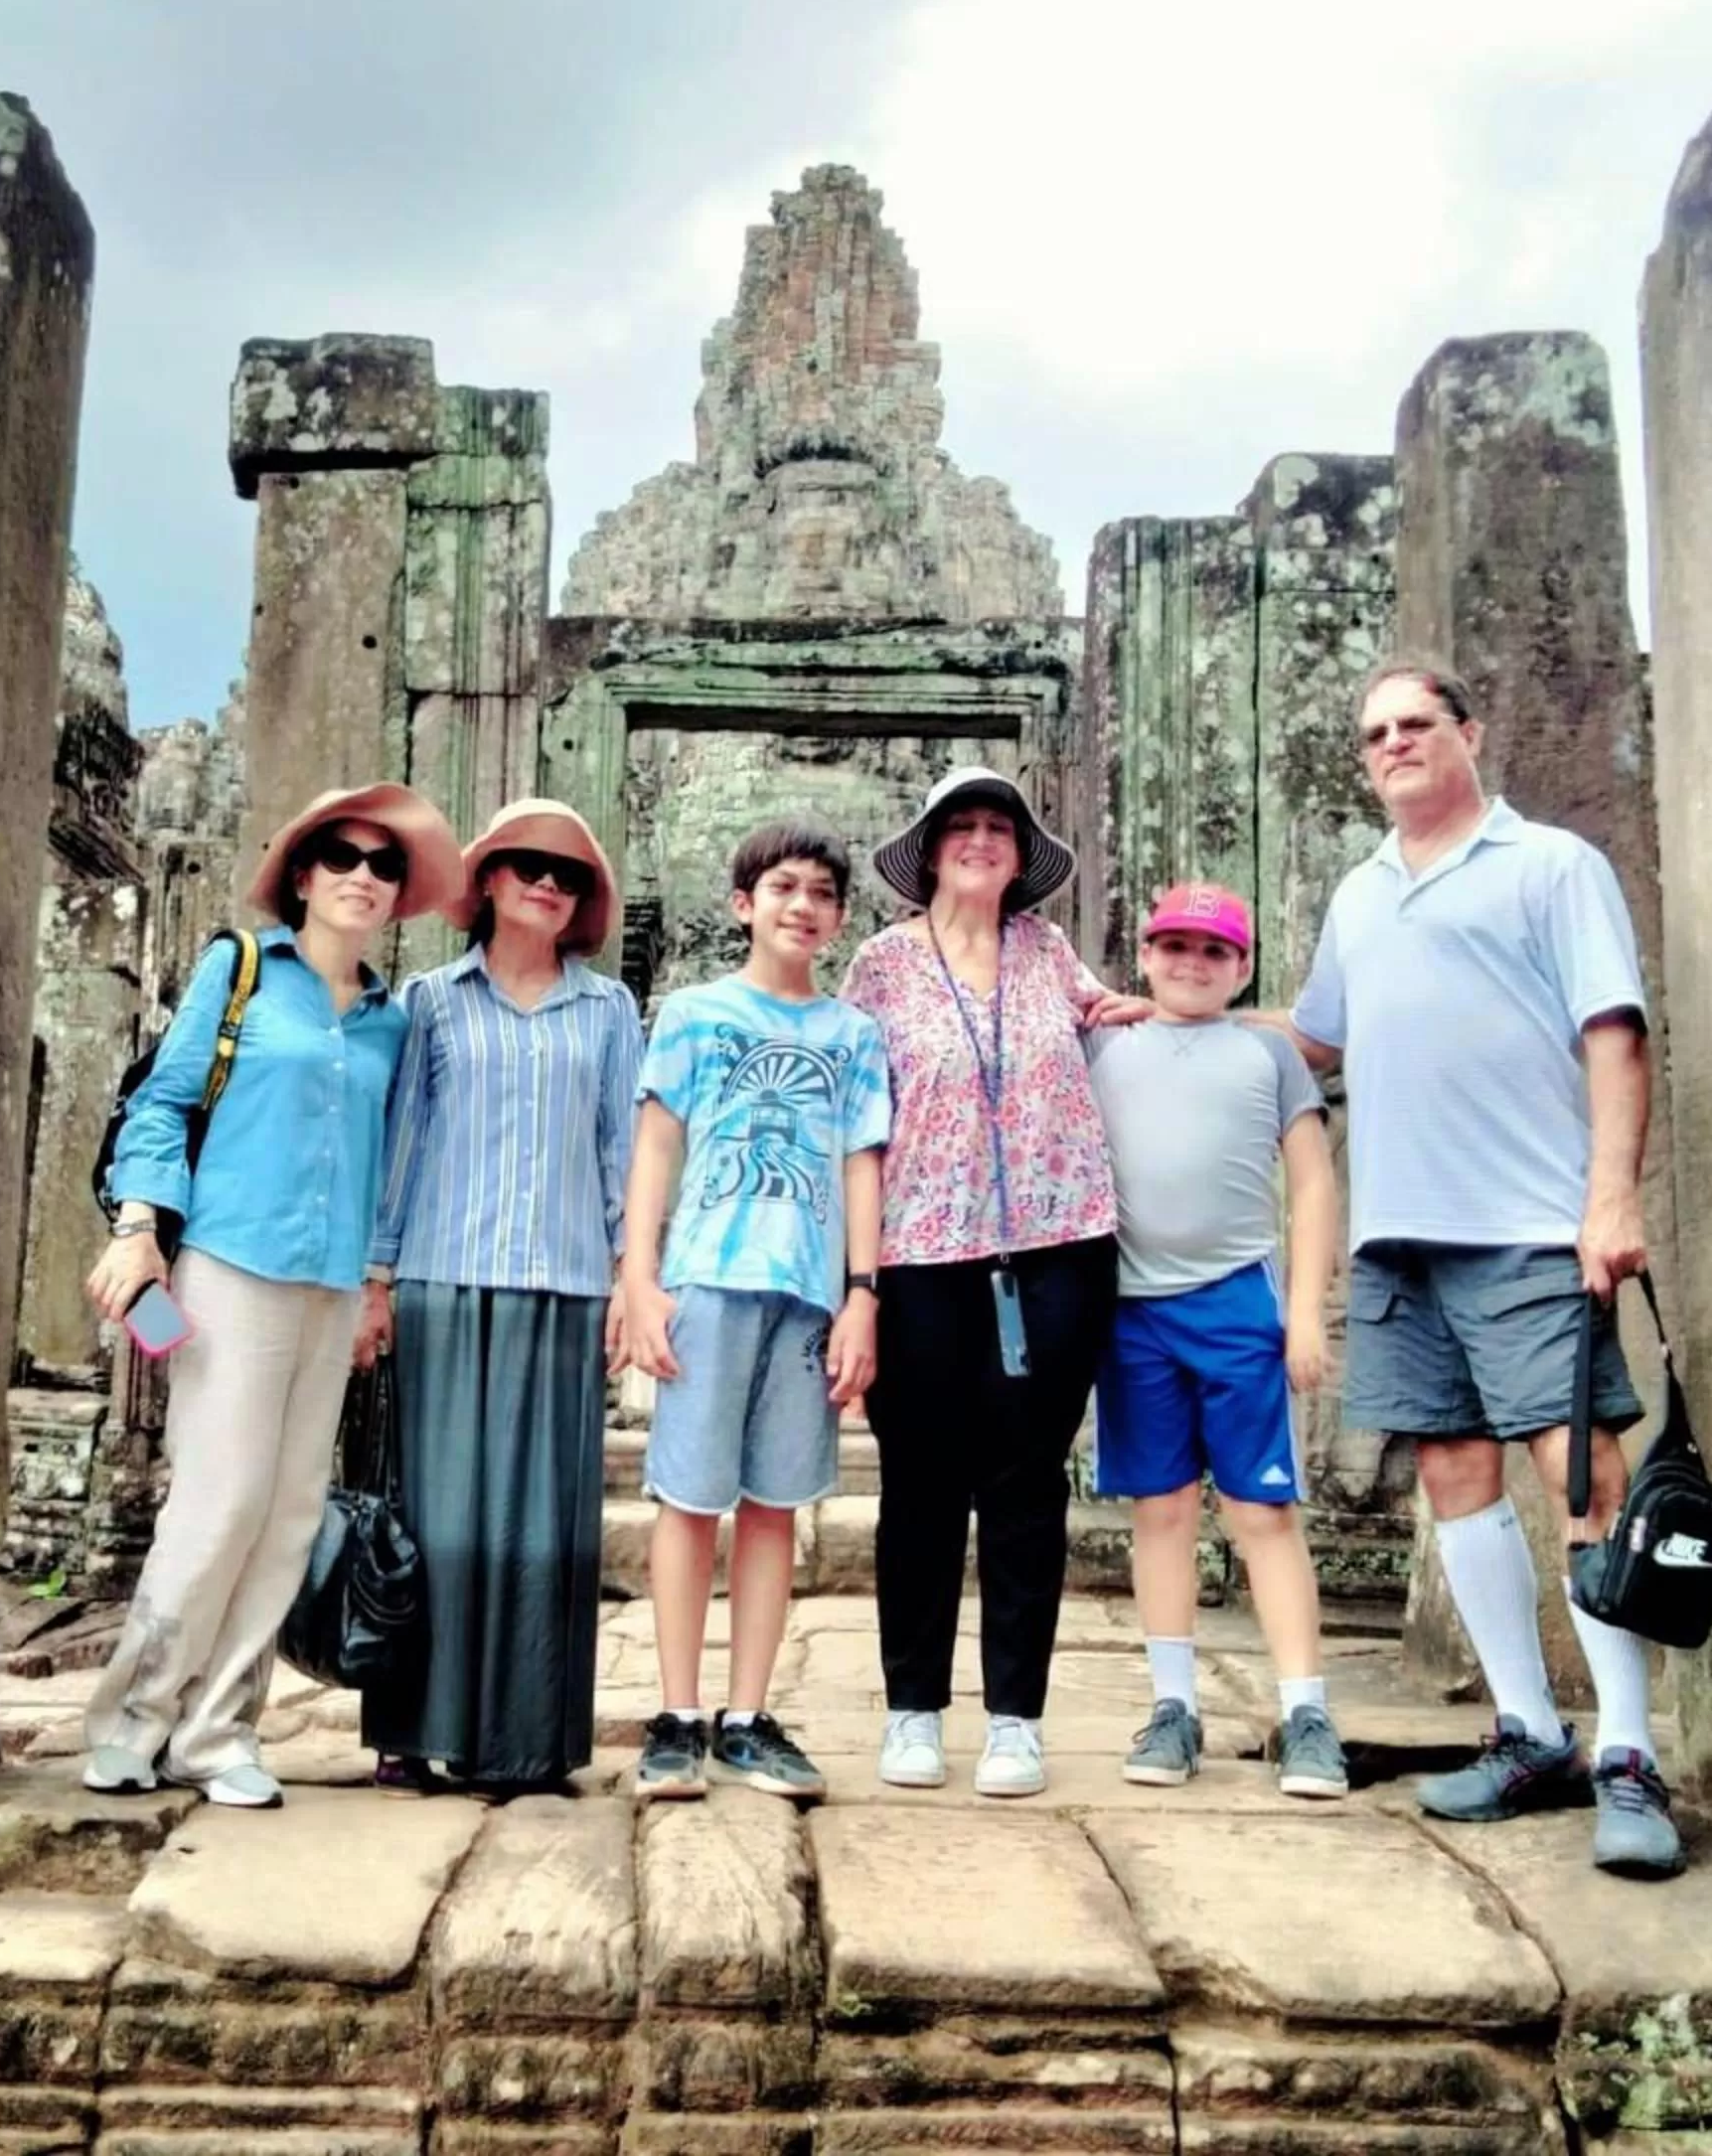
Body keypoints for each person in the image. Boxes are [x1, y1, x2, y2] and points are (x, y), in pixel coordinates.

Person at [1274, 661, 1678, 1878]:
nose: (1394, 744)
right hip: (1400, 1231)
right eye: (1374, 733)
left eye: (1415, 724)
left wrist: (1611, 1193)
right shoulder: (1360, 894)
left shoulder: (1551, 866)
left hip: (1526, 1221)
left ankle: (1630, 1752)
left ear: (1469, 734)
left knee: (1579, 1468)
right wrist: (1171, 1017)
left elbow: (1614, 1032)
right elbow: (1317, 1038)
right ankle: (1529, 1733)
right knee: (1452, 1472)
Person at [80, 782, 462, 1809]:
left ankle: (220, 1731)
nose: (364, 878)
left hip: (330, 1284)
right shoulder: (242, 969)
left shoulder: (392, 1022)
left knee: (291, 1513)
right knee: (219, 1498)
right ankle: (134, 1715)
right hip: (228, 1265)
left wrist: (378, 1282)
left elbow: (392, 1164)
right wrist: (140, 1228)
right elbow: (161, 1102)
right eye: (343, 855)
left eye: (386, 867)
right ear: (302, 873)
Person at [840, 767, 1150, 1799]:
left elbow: (1115, 1028)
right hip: (922, 1252)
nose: (979, 840)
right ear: (929, 849)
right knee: (920, 1484)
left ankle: (1017, 1715)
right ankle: (912, 1709)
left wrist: (1163, 1015)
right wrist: (857, 1281)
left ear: (1022, 855)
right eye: (960, 826)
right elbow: (854, 1128)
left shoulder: (1050, 953)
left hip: (1058, 1247)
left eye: (997, 828)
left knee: (1026, 1486)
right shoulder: (879, 968)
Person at [359, 800, 641, 1796]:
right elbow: (401, 1146)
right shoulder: (432, 1001)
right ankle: (413, 1728)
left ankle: (526, 1741)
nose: (546, 884)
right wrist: (377, 1280)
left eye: (566, 874)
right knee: (435, 1516)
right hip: (443, 1276)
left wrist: (630, 1276)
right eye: (525, 865)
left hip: (563, 1286)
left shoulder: (608, 1012)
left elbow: (623, 1153)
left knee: (541, 1526)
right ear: (486, 882)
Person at [618, 820, 890, 1803]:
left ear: (840, 918)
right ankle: (679, 1711)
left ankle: (746, 1714)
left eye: (821, 892)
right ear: (744, 904)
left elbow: (863, 1165)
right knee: (689, 1500)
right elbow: (655, 1149)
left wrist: (863, 1296)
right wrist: (639, 1279)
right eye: (783, 886)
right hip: (706, 1277)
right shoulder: (693, 1014)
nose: (801, 905)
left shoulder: (853, 1036)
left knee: (775, 1503)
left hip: (806, 1290)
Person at [1085, 881, 1345, 1796]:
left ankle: (1307, 1710)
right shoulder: (1103, 1047)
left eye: (1213, 952)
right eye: (1174, 947)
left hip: (1237, 1303)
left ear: (1241, 968)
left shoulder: (1268, 1058)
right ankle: (1173, 1707)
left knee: (1262, 1513)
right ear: (1145, 956)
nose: (1191, 965)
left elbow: (1311, 1186)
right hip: (1132, 1313)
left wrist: (1305, 1311)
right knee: (1160, 1510)